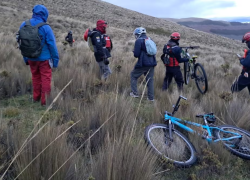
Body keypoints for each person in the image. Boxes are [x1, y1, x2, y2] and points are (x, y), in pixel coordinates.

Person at [18, 4, 59, 106]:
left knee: (35, 77)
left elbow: (21, 43)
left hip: (31, 58)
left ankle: (36, 98)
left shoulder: (24, 24)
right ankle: (44, 102)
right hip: (44, 59)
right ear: (45, 14)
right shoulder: (46, 27)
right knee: (45, 79)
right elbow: (52, 46)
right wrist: (55, 61)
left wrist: (26, 58)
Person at [130, 27, 157, 101]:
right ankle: (151, 98)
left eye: (136, 34)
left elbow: (136, 54)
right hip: (152, 62)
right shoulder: (150, 39)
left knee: (133, 75)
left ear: (138, 34)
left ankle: (134, 93)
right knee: (150, 80)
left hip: (143, 63)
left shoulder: (139, 41)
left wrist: (134, 51)